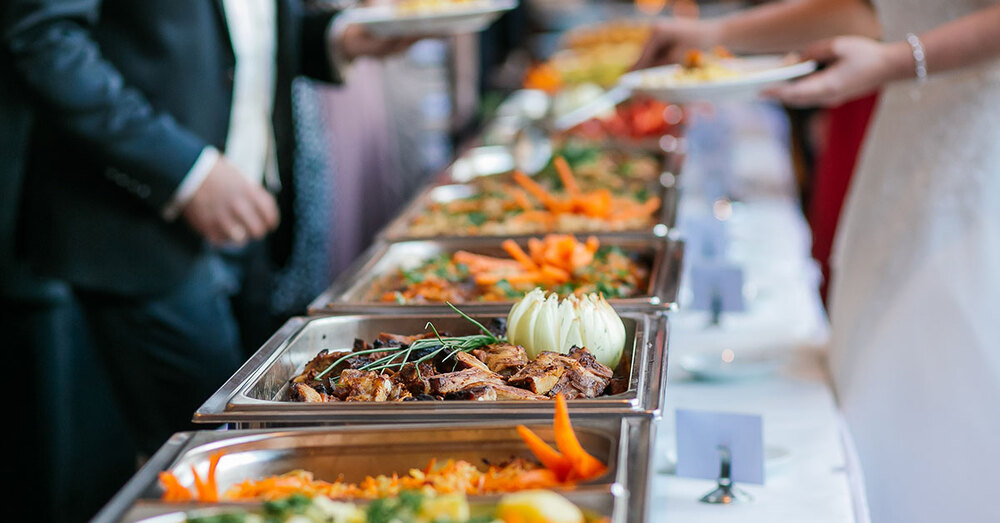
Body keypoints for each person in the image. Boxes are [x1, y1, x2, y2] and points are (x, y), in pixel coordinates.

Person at [3, 0, 415, 462]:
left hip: (249, 217)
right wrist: (186, 172)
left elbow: (240, 35)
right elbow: (44, 39)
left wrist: (334, 38)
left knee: (255, 437)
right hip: (138, 225)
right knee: (217, 453)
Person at [635, 1, 1000, 521]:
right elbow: (869, 9)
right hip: (902, 138)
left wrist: (897, 61)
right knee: (871, 360)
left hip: (972, 143)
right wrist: (709, 32)